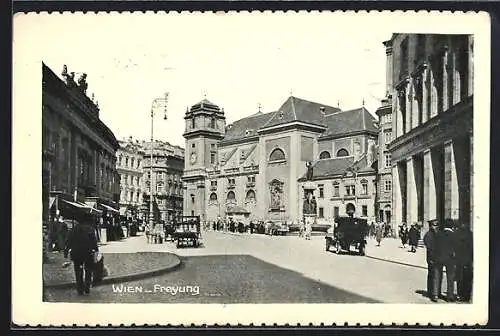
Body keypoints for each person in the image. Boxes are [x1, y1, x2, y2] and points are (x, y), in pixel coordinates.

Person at [64, 212, 99, 295]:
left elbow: (68, 241)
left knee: (78, 271)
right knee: (88, 270)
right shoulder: (91, 229)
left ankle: (80, 288)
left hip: (76, 253)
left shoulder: (74, 229)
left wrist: (66, 252)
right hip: (88, 253)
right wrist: (96, 250)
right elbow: (94, 242)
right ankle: (87, 287)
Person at [433, 219, 457, 302]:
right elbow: (456, 248)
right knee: (450, 277)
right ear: (452, 226)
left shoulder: (438, 234)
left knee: (437, 276)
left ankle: (435, 294)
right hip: (450, 259)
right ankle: (449, 296)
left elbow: (434, 246)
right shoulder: (454, 235)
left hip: (438, 258)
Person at [455, 222, 473, 302]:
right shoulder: (470, 235)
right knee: (467, 279)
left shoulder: (456, 234)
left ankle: (460, 295)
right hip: (468, 261)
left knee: (459, 279)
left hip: (459, 261)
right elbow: (472, 249)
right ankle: (467, 296)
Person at [423, 220, 441, 301]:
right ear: (430, 226)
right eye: (434, 225)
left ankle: (433, 291)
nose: (436, 226)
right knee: (433, 275)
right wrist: (432, 258)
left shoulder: (436, 234)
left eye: (437, 225)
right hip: (432, 258)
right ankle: (433, 294)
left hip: (436, 258)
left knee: (433, 275)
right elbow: (429, 248)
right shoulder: (428, 235)